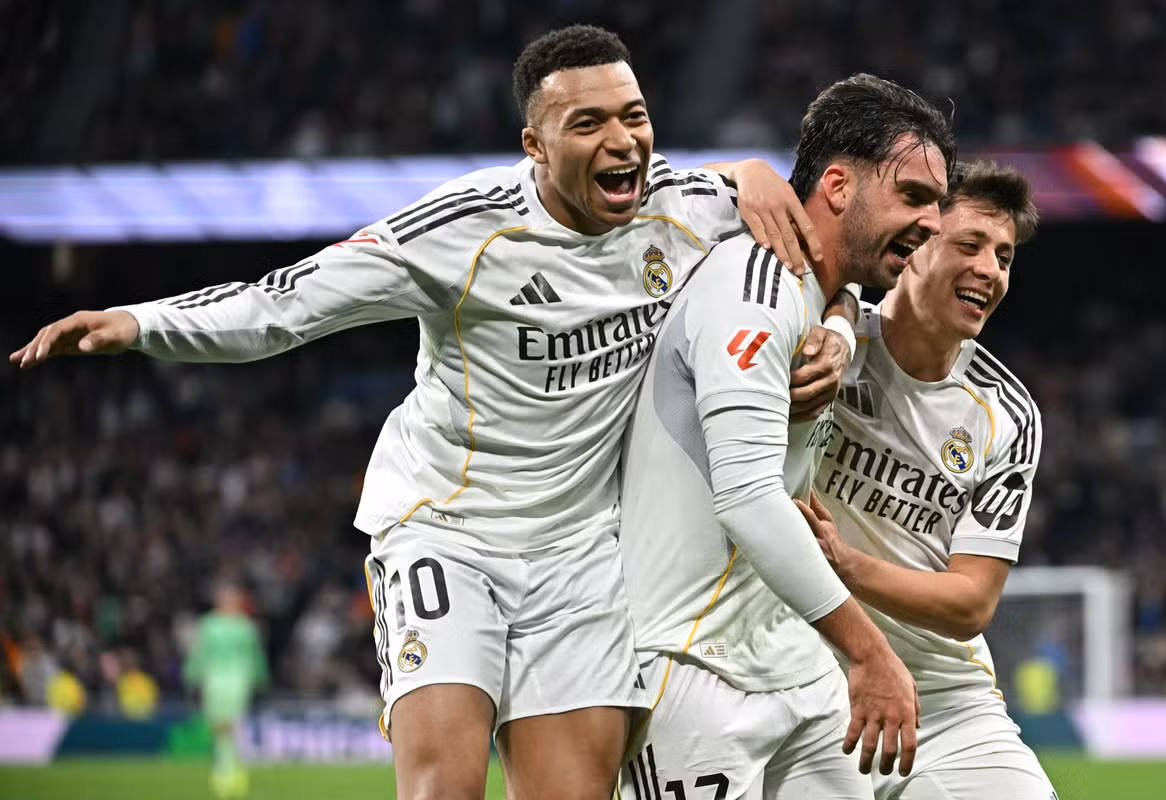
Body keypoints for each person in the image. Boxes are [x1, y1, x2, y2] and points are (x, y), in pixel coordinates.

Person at [9, 24, 850, 800]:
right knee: (445, 787)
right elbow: (286, 304)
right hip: (451, 532)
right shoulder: (460, 230)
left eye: (633, 116)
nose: (623, 140)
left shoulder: (691, 207)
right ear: (534, 146)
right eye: (587, 123)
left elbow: (838, 259)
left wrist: (837, 327)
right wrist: (140, 323)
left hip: (585, 554)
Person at [618, 73, 954, 800]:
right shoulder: (752, 289)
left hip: (792, 659)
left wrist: (841, 320)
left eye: (937, 203)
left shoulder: (820, 294)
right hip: (693, 666)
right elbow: (747, 499)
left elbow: (839, 279)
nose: (932, 222)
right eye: (914, 196)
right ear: (838, 185)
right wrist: (871, 653)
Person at [802, 160, 1058, 799]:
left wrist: (844, 563)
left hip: (943, 700)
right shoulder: (827, 340)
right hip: (802, 680)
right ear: (914, 243)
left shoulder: (1007, 414)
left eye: (1003, 257)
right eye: (969, 245)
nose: (989, 270)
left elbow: (970, 604)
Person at [184, 583, 268, 799]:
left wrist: (259, 676)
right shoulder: (214, 624)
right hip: (219, 678)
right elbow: (200, 652)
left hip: (232, 679)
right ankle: (227, 762)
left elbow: (253, 655)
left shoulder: (240, 626)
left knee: (228, 722)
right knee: (219, 723)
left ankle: (226, 764)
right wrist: (193, 674)